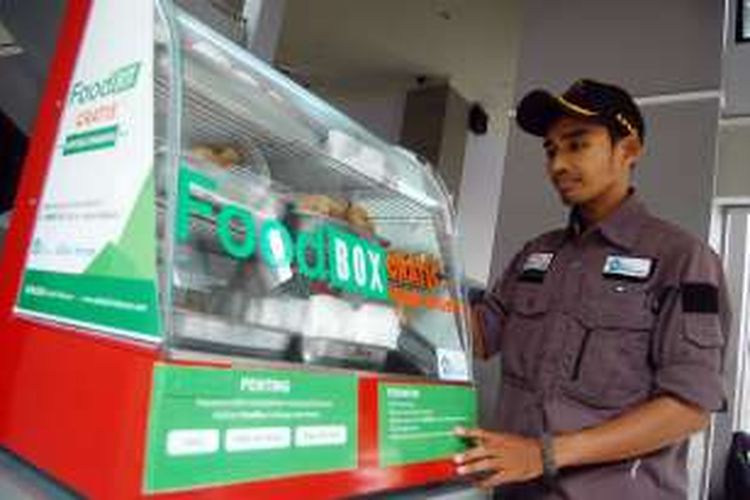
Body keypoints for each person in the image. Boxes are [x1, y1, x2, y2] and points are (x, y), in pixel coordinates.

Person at [454, 79, 731, 499]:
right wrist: (396, 278)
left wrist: (543, 454)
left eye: (577, 144)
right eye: (550, 150)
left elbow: (689, 409)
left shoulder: (684, 259)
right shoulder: (536, 254)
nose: (557, 165)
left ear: (629, 150)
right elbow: (475, 336)